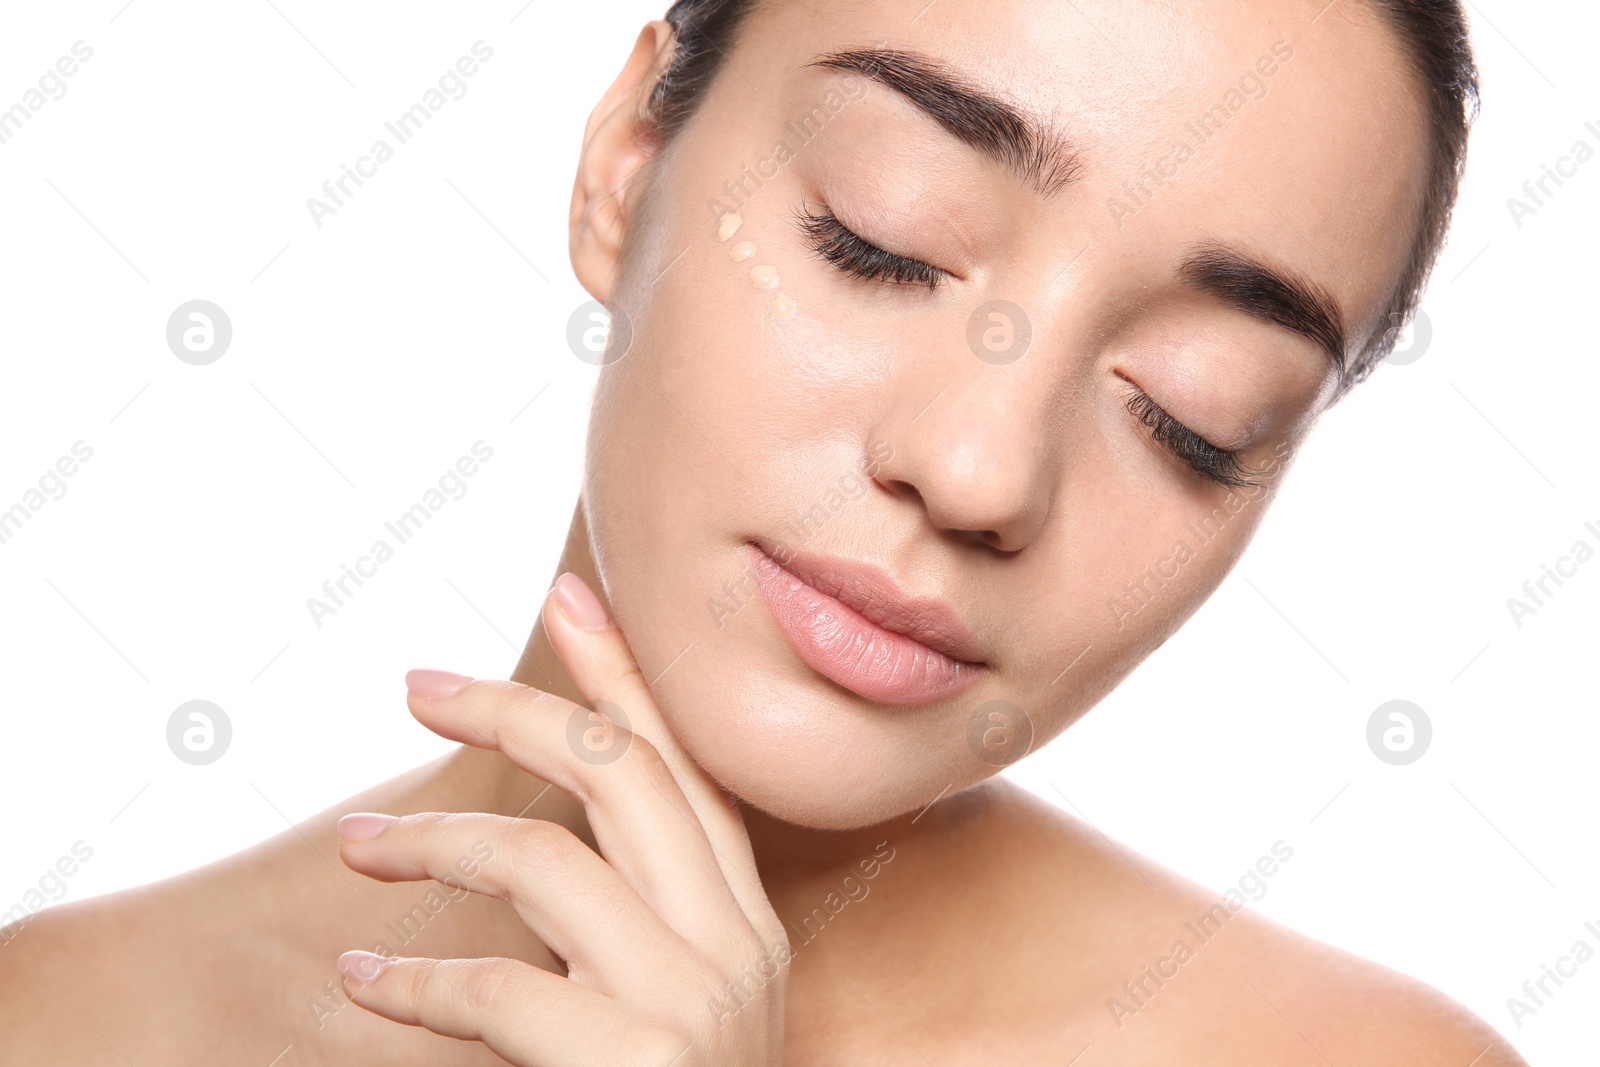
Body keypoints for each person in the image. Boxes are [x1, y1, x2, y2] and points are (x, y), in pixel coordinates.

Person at [1, 0, 1528, 1062]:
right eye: (883, 238)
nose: (981, 468)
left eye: (1192, 413)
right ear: (626, 165)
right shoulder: (57, 1025)